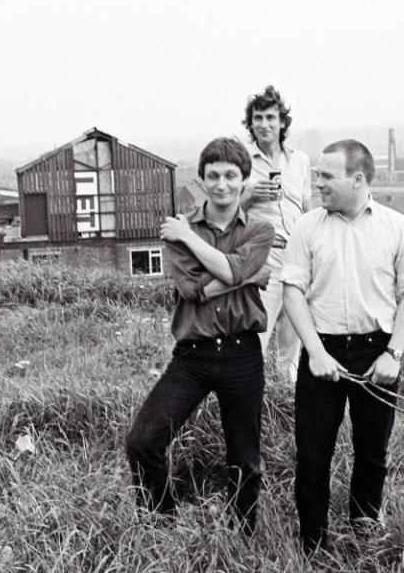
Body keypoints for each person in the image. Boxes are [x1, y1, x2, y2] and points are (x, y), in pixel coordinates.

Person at [281, 139, 404, 554]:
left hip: (377, 353)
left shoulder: (398, 228)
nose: (318, 183)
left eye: (327, 176)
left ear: (358, 179)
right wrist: (316, 353)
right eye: (318, 175)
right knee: (311, 456)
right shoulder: (307, 227)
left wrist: (393, 354)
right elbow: (293, 291)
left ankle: (363, 539)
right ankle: (313, 546)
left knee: (372, 453)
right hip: (321, 352)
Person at [125, 137, 275, 536]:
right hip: (192, 355)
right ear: (202, 179)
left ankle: (240, 536)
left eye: (231, 176)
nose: (222, 184)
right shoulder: (177, 228)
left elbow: (221, 277)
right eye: (213, 176)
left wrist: (195, 244)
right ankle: (163, 524)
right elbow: (193, 290)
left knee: (245, 458)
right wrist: (245, 273)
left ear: (245, 181)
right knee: (143, 440)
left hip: (243, 352)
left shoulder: (260, 228)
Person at [242, 85, 312, 385]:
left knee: (292, 339)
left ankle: (285, 405)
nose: (264, 124)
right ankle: (249, 400)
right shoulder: (242, 161)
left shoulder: (300, 160)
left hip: (296, 258)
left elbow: (309, 209)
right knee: (256, 335)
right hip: (263, 259)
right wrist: (250, 194)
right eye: (257, 118)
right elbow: (227, 211)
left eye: (271, 117)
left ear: (282, 122)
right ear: (250, 124)